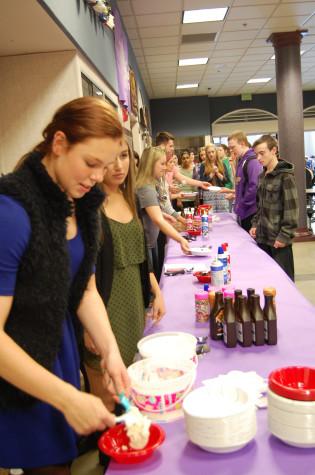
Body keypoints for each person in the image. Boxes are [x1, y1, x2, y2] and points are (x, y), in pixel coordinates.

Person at [0, 97, 130, 474]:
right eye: (90, 163)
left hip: (59, 353)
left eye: (104, 167)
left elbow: (84, 289)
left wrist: (111, 352)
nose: (96, 177)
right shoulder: (13, 211)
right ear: (59, 143)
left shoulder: (84, 203)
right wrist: (66, 398)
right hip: (19, 371)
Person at [83, 141, 165, 410]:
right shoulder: (89, 206)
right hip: (103, 309)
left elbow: (140, 258)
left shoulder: (128, 197)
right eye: (111, 158)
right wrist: (87, 327)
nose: (119, 165)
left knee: (129, 389)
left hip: (132, 306)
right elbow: (81, 274)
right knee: (106, 399)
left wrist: (156, 291)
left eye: (124, 156)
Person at [249, 135, 299, 281]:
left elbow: (292, 210)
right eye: (256, 154)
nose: (258, 158)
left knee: (285, 283)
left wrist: (284, 236)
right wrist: (255, 224)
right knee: (267, 282)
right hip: (263, 238)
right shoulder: (261, 176)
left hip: (279, 241)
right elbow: (260, 206)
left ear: (274, 150)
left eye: (262, 153)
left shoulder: (285, 177)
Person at [136, 146, 191, 276]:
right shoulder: (146, 188)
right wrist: (181, 239)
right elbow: (157, 220)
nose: (165, 167)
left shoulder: (149, 185)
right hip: (146, 243)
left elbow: (150, 210)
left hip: (150, 240)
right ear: (150, 164)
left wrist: (163, 214)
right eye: (161, 164)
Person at [228, 130, 262, 232]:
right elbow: (241, 184)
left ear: (242, 143)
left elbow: (254, 187)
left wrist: (242, 204)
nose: (231, 151)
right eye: (229, 148)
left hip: (251, 212)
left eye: (233, 147)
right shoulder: (242, 160)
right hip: (244, 211)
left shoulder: (252, 161)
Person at [199, 143, 230, 213]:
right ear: (207, 154)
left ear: (216, 152)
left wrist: (217, 173)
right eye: (209, 152)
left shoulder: (222, 164)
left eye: (213, 152)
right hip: (208, 194)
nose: (211, 154)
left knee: (223, 215)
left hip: (221, 193)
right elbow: (202, 181)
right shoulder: (203, 165)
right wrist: (212, 174)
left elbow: (226, 180)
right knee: (210, 216)